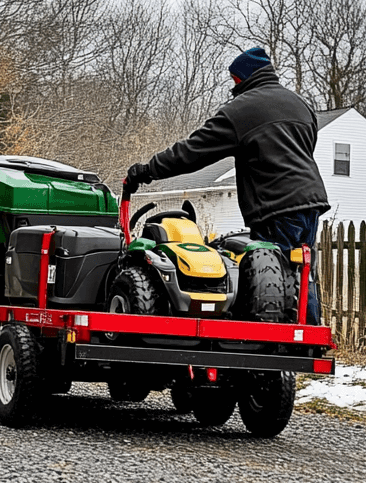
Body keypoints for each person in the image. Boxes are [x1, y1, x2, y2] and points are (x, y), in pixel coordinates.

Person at [125, 46, 329, 323]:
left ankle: (280, 341)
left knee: (273, 277)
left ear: (241, 77)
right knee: (302, 274)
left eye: (233, 79)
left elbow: (192, 151)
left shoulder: (242, 110)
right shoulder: (300, 104)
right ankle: (311, 336)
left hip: (275, 205)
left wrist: (147, 170)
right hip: (311, 201)